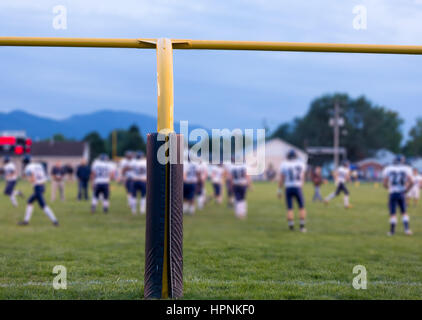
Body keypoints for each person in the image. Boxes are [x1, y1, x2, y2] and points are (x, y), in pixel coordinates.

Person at [18, 155, 59, 226]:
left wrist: (28, 179)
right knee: (29, 201)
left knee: (43, 205)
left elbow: (33, 179)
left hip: (37, 187)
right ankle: (26, 221)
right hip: (42, 185)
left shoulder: (28, 167)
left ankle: (55, 221)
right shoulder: (38, 165)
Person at [382, 155, 413, 236]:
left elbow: (384, 183)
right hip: (402, 193)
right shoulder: (407, 169)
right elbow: (412, 182)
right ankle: (407, 230)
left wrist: (389, 188)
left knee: (393, 213)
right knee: (404, 212)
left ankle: (392, 232)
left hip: (393, 193)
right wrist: (406, 190)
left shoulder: (388, 169)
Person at [278, 150, 307, 232]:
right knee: (301, 207)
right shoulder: (301, 164)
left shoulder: (284, 164)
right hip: (298, 187)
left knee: (290, 208)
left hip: (288, 187)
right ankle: (302, 227)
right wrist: (301, 185)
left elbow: (281, 178)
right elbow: (302, 177)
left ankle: (291, 227)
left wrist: (279, 190)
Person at [130, 151, 147, 215]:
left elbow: (130, 169)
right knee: (143, 196)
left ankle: (134, 210)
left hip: (135, 180)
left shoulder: (133, 162)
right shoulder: (145, 162)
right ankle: (142, 210)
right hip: (143, 180)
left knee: (134, 196)